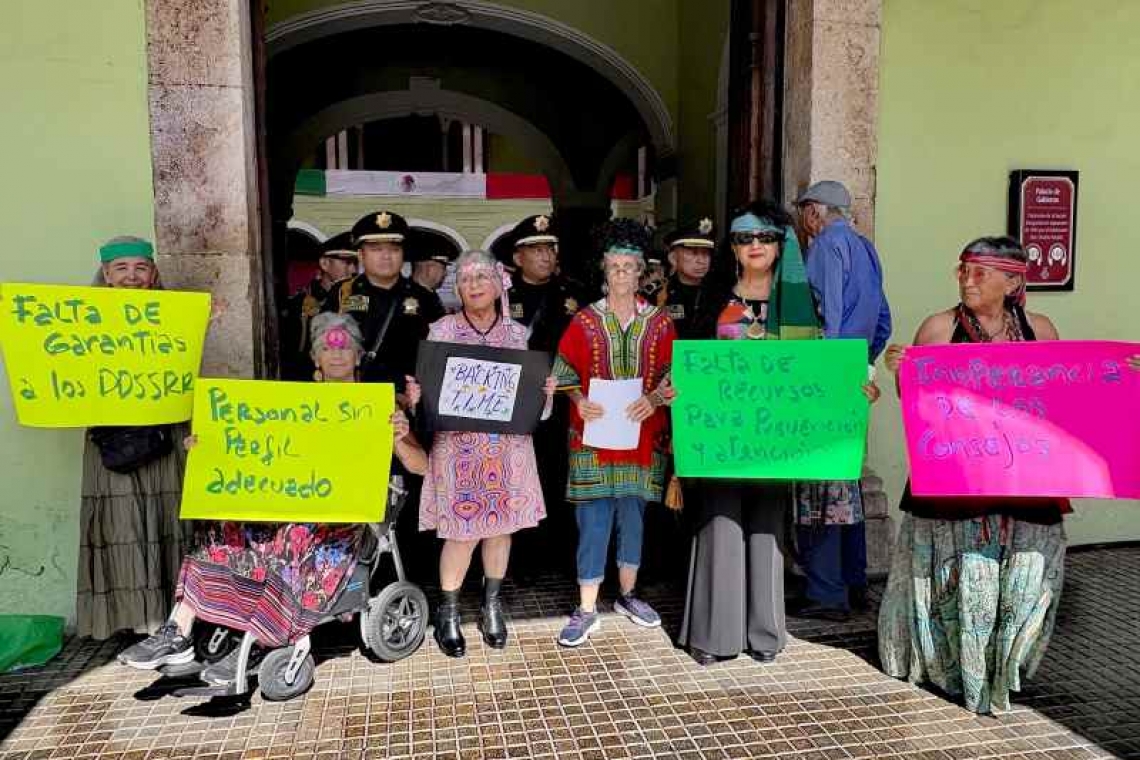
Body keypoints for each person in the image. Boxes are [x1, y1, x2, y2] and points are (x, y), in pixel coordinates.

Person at [116, 313, 427, 682]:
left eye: (345, 348)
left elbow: (421, 466)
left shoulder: (382, 406)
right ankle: (178, 630)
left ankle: (263, 636)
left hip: (342, 516)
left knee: (293, 536)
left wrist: (398, 438)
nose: (336, 354)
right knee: (223, 524)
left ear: (358, 356)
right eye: (327, 347)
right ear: (315, 358)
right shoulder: (289, 404)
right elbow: (250, 451)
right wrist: (208, 445)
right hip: (289, 503)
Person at [675, 203, 879, 665]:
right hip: (723, 437)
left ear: (780, 245)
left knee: (767, 529)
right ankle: (714, 636)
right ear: (732, 247)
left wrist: (854, 392)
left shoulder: (803, 301)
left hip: (776, 439)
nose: (755, 246)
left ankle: (764, 633)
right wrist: (674, 389)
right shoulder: (711, 298)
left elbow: (820, 368)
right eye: (744, 238)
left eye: (765, 237)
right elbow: (689, 360)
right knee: (720, 525)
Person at [877, 236, 1069, 714]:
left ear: (1013, 281)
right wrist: (902, 372)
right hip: (959, 480)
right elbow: (916, 403)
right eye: (963, 270)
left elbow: (1066, 392)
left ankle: (1005, 668)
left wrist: (1118, 373)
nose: (967, 279)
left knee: (1027, 582)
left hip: (1024, 483)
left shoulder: (1040, 330)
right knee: (957, 581)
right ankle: (953, 670)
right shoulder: (940, 328)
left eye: (980, 272)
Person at [411, 251, 555, 657]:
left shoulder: (517, 334)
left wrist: (543, 396)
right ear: (457, 289)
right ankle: (449, 612)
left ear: (498, 283)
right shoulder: (441, 331)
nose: (473, 285)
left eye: (481, 277)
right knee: (461, 534)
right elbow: (428, 401)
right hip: (458, 450)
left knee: (500, 530)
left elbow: (534, 409)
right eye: (465, 279)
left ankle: (492, 605)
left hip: (507, 451)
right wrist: (418, 399)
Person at [552, 219, 676, 647]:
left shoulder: (660, 322)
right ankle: (586, 608)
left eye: (629, 267)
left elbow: (675, 374)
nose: (621, 273)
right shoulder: (584, 321)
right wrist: (578, 399)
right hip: (592, 437)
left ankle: (628, 595)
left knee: (633, 517)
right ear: (604, 271)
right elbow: (563, 371)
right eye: (614, 267)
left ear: (641, 273)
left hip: (641, 436)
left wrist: (655, 398)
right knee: (593, 519)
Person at [77, 236, 192, 640]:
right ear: (107, 274)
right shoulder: (79, 323)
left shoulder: (174, 318)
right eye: (121, 268)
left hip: (164, 433)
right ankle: (134, 618)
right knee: (123, 523)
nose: (131, 276)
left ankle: (174, 615)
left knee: (165, 517)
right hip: (113, 437)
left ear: (153, 273)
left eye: (140, 268)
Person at [793, 180, 892, 619]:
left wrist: (827, 376)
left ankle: (826, 592)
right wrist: (862, 364)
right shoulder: (866, 248)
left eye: (804, 212)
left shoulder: (823, 247)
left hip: (826, 375)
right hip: (854, 371)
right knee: (847, 479)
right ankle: (853, 583)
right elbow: (884, 320)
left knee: (820, 485)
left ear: (815, 211)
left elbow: (828, 315)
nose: (803, 221)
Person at [497, 214, 584, 580]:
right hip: (514, 403)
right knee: (515, 477)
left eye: (550, 248)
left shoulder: (573, 294)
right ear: (518, 257)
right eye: (536, 249)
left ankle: (559, 556)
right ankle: (519, 561)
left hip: (563, 402)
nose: (546, 256)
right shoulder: (501, 296)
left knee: (558, 473)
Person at [322, 211, 444, 401]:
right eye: (376, 249)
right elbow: (321, 349)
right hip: (354, 400)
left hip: (407, 403)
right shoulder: (342, 293)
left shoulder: (424, 298)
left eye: (394, 249)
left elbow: (438, 358)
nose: (386, 256)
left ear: (403, 254)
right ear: (361, 255)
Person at [280, 232, 358, 381]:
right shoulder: (298, 304)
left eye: (356, 264)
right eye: (347, 263)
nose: (354, 270)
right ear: (324, 264)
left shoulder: (359, 300)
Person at [657, 218, 715, 339]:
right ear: (673, 258)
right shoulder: (658, 293)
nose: (701, 261)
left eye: (705, 253)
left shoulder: (720, 293)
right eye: (693, 253)